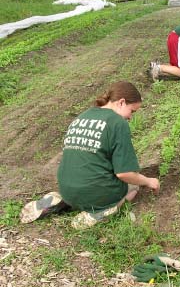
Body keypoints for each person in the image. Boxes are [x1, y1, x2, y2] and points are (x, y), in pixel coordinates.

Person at [20, 81, 160, 229]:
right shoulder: (118, 123)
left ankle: (62, 200)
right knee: (133, 187)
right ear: (121, 102)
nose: (131, 117)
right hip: (94, 192)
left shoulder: (83, 116)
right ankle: (101, 211)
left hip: (66, 187)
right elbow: (124, 173)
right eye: (132, 111)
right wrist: (148, 181)